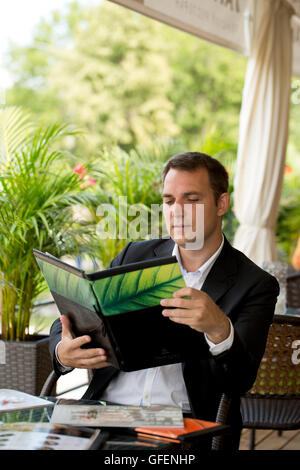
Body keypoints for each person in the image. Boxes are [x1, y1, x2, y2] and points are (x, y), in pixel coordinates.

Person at [49, 152, 279, 450]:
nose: (177, 211)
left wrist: (219, 329)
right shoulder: (137, 255)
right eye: (169, 201)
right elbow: (70, 318)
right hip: (105, 414)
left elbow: (241, 380)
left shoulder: (254, 284)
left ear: (221, 203)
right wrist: (62, 352)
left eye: (192, 199)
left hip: (183, 425)